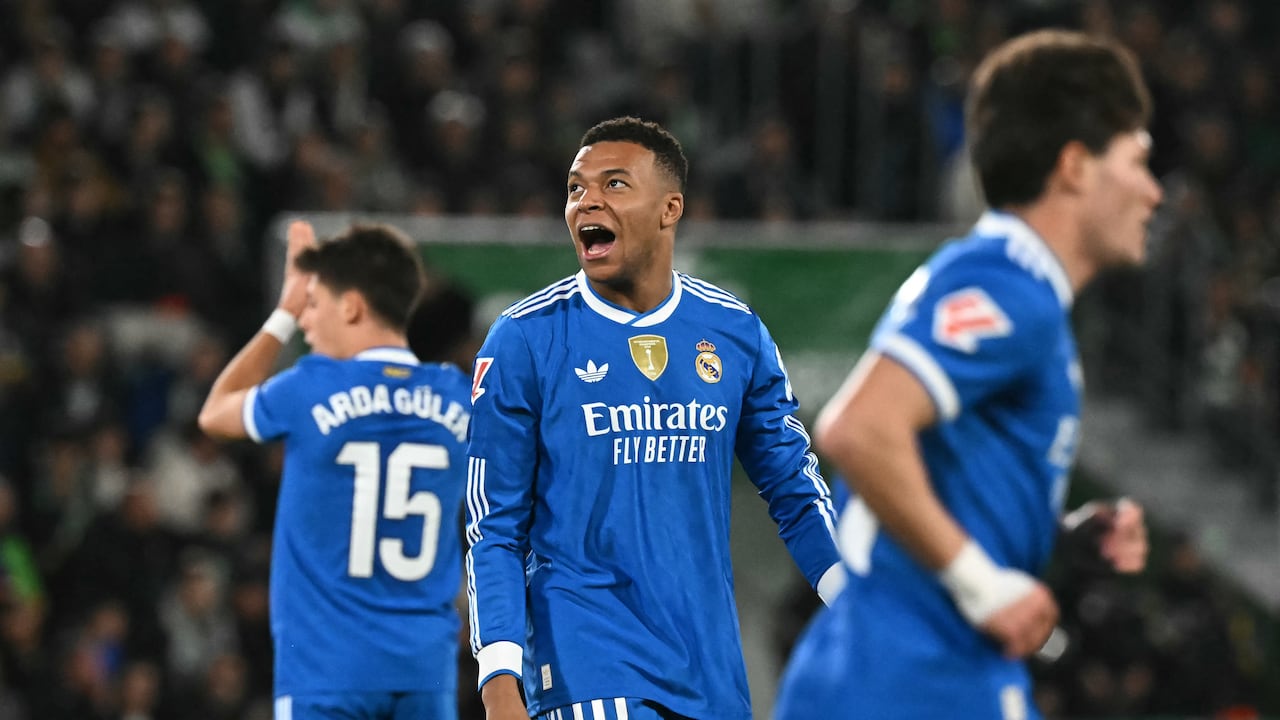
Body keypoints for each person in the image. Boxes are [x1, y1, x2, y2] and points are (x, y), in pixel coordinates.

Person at [774, 29, 1159, 719]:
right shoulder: (1009, 284)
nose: (1153, 192)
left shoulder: (1013, 286)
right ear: (1075, 166)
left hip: (910, 672)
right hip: (914, 677)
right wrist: (984, 585)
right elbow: (860, 429)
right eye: (1138, 161)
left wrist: (1051, 532)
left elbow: (938, 472)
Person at [465, 116, 843, 720]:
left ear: (670, 209)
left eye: (614, 184)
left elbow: (795, 490)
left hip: (711, 675)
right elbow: (495, 527)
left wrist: (857, 607)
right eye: (575, 188)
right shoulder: (525, 338)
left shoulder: (734, 332)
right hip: (587, 665)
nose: (587, 201)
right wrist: (499, 681)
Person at [197, 220, 472, 720]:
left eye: (314, 302)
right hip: (423, 670)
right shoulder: (458, 397)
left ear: (351, 307)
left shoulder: (311, 387)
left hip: (326, 670)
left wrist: (282, 314)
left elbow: (215, 412)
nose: (307, 320)